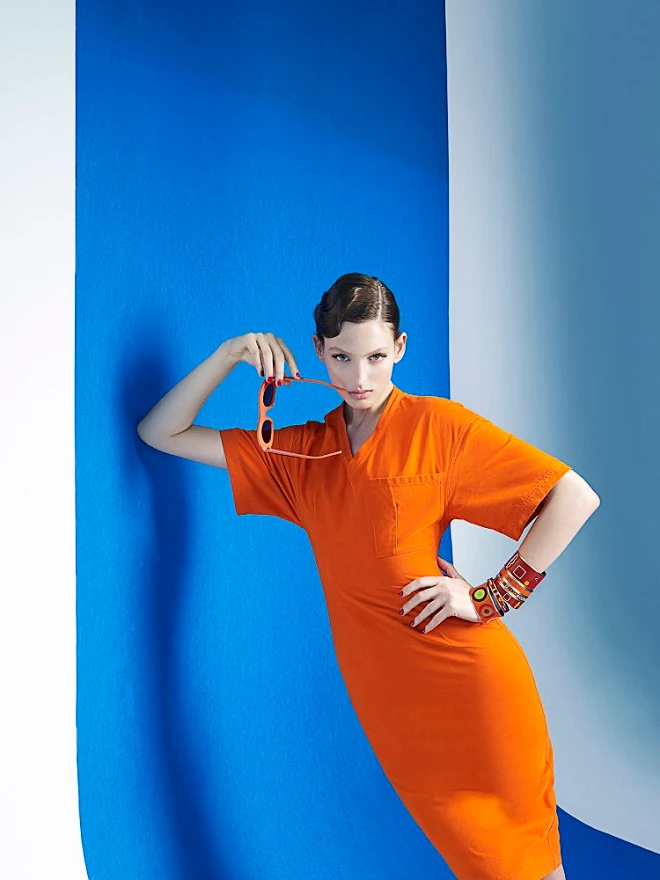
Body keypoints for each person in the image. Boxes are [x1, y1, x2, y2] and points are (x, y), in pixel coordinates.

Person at [137, 273, 600, 880]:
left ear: (400, 348)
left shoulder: (440, 428)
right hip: (393, 708)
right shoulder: (302, 455)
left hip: (473, 691)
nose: (360, 377)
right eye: (342, 358)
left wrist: (491, 597)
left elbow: (574, 497)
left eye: (377, 357)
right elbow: (161, 431)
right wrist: (230, 354)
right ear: (318, 350)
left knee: (521, 865)